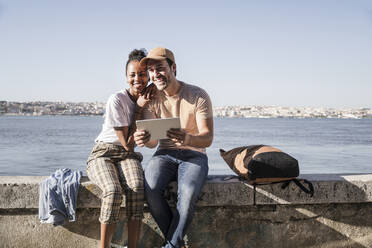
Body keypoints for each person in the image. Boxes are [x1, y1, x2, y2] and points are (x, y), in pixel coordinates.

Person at [134, 47, 214, 248]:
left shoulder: (197, 95)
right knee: (150, 189)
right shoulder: (151, 98)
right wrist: (144, 139)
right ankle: (176, 244)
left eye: (160, 68)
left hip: (194, 155)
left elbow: (208, 137)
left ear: (173, 67)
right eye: (151, 70)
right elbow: (153, 143)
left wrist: (187, 139)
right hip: (164, 154)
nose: (155, 74)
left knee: (187, 193)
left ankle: (171, 245)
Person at [86, 49, 153, 248]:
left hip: (128, 156)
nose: (137, 79)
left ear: (148, 76)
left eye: (142, 74)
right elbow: (126, 142)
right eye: (132, 75)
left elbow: (146, 143)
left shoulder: (151, 100)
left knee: (137, 188)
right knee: (113, 191)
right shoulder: (116, 100)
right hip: (103, 153)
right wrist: (139, 108)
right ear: (126, 78)